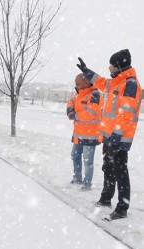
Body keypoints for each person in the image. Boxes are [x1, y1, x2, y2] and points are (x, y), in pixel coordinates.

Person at [77, 49, 142, 221]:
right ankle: (106, 198)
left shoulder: (130, 85)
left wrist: (115, 138)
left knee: (120, 171)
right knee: (108, 168)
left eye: (111, 65)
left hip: (119, 139)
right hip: (110, 137)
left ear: (119, 66)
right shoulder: (118, 81)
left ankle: (122, 208)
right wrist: (87, 72)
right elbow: (102, 83)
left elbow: (125, 114)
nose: (109, 68)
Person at [66, 73, 103, 191]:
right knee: (75, 155)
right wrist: (70, 110)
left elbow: (90, 114)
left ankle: (87, 184)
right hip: (78, 133)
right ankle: (77, 178)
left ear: (87, 82)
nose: (76, 86)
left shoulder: (95, 95)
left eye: (78, 83)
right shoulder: (79, 94)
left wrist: (74, 115)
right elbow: (70, 102)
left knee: (88, 161)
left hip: (90, 135)